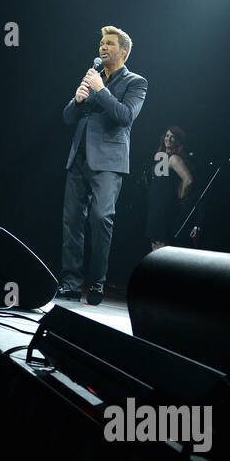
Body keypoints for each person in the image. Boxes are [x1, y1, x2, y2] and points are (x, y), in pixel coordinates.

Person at [60, 25, 148, 305]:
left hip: (108, 162)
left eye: (109, 43)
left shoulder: (136, 82)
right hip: (79, 159)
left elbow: (124, 116)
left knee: (100, 219)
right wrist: (77, 100)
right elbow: (67, 118)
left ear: (123, 51)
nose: (103, 47)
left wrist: (101, 92)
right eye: (101, 43)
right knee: (72, 222)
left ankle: (96, 282)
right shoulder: (93, 77)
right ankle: (71, 283)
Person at [146, 127, 194, 252]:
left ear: (178, 141)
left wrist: (181, 199)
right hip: (155, 209)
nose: (168, 138)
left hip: (165, 210)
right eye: (167, 135)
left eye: (172, 136)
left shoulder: (174, 158)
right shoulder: (162, 158)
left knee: (162, 249)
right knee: (155, 246)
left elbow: (188, 181)